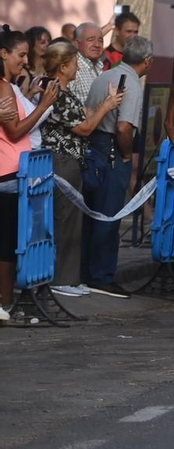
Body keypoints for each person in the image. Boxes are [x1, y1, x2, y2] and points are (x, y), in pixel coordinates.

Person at [38, 39, 124, 298]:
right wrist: (107, 107)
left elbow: (85, 116)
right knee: (64, 220)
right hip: (61, 160)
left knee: (74, 221)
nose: (78, 68)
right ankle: (60, 278)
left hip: (73, 161)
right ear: (63, 66)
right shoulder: (56, 94)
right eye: (74, 63)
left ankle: (71, 277)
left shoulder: (66, 91)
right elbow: (85, 127)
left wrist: (100, 106)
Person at [81, 34, 151, 297]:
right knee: (109, 215)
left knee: (91, 212)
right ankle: (101, 275)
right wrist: (125, 154)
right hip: (111, 149)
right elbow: (124, 127)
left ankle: (86, 272)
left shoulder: (103, 76)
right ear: (148, 61)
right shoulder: (131, 83)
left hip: (94, 147)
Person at [0, 31, 57, 322]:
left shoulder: (9, 87)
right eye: (20, 55)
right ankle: (5, 304)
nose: (25, 62)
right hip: (8, 175)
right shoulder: (4, 88)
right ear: (3, 54)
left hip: (12, 172)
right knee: (7, 246)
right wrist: (45, 104)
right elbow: (16, 130)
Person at [67, 22, 104, 105]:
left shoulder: (100, 66)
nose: (97, 45)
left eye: (100, 40)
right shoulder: (71, 68)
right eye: (90, 40)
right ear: (77, 43)